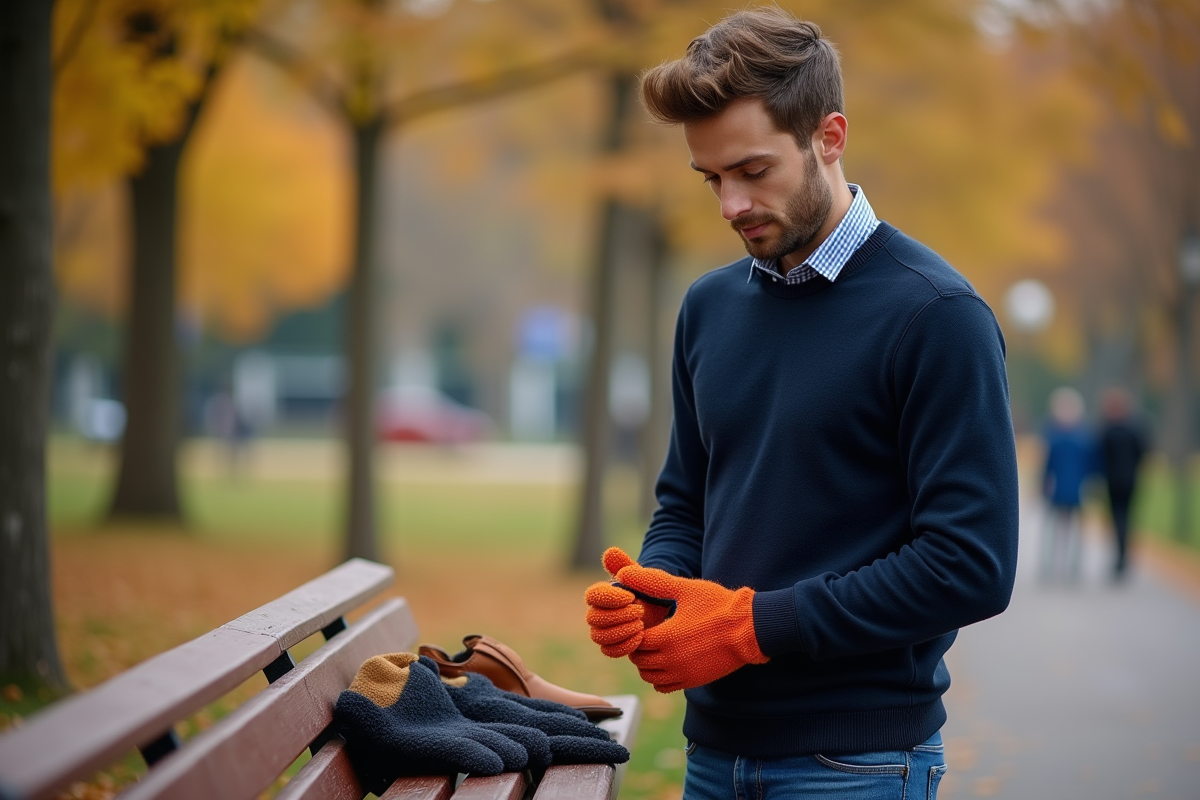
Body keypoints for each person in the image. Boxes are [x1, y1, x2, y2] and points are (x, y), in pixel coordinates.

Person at [582, 9, 1019, 799]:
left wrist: (749, 629)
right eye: (712, 178)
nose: (731, 205)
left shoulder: (936, 316)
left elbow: (971, 566)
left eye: (753, 170)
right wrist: (657, 592)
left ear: (829, 137)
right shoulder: (707, 307)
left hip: (857, 765)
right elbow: (687, 502)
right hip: (712, 756)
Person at [1038, 387, 1094, 583]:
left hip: (1076, 488)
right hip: (1058, 487)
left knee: (1075, 530)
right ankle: (1049, 565)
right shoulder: (1053, 434)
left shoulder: (1083, 435)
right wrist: (1043, 483)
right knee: (1053, 528)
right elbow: (1047, 463)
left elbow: (1090, 464)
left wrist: (1090, 485)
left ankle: (1074, 567)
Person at [1097, 386, 1147, 580]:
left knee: (1117, 517)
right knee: (1127, 517)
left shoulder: (1108, 430)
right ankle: (1123, 555)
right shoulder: (1134, 429)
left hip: (1112, 480)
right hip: (1131, 478)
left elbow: (1101, 455)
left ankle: (1120, 557)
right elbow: (1142, 452)